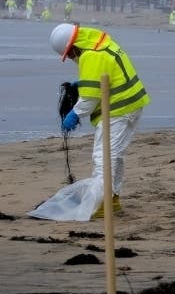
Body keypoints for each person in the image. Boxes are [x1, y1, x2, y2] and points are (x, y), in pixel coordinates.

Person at [45, 23, 151, 219]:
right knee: (115, 155)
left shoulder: (90, 55)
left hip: (118, 110)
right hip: (132, 104)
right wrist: (84, 83)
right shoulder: (99, 42)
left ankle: (102, 204)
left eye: (69, 54)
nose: (71, 58)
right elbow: (103, 77)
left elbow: (89, 99)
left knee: (103, 157)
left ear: (73, 46)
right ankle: (113, 199)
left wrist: (74, 115)